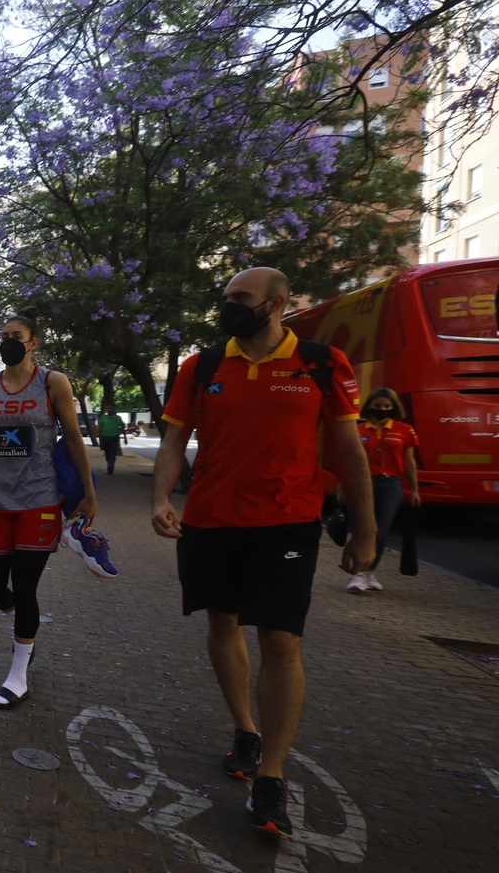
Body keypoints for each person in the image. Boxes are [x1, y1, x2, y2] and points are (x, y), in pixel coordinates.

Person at [151, 267, 373, 837]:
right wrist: (160, 499)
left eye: (239, 298)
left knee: (281, 638)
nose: (228, 306)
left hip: (288, 522)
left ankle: (271, 777)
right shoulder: (201, 367)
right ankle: (245, 731)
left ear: (275, 304)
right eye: (225, 298)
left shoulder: (322, 363)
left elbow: (349, 446)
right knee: (222, 625)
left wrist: (365, 530)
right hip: (211, 520)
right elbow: (175, 439)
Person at [0, 314, 101, 709]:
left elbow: (75, 440)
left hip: (39, 501)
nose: (10, 341)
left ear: (34, 343)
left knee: (26, 587)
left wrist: (89, 493)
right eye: (5, 336)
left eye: (18, 337)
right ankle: (24, 632)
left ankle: (18, 675)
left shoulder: (52, 383)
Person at [345, 388, 420, 593]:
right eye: (378, 406)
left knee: (381, 531)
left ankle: (370, 572)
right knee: (360, 529)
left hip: (390, 485)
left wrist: (414, 489)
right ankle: (358, 574)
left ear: (394, 408)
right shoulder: (358, 429)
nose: (382, 410)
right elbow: (348, 460)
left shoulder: (405, 430)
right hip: (362, 484)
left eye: (387, 406)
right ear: (370, 406)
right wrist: (342, 486)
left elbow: (409, 461)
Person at [97, 402, 124, 474]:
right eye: (108, 409)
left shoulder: (118, 418)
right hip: (105, 437)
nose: (109, 410)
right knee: (107, 453)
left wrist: (125, 438)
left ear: (114, 409)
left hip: (114, 438)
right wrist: (96, 432)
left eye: (111, 408)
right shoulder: (104, 417)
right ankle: (110, 464)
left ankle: (110, 467)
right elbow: (100, 426)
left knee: (112, 453)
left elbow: (122, 427)